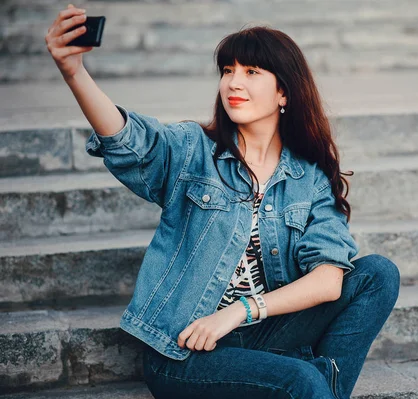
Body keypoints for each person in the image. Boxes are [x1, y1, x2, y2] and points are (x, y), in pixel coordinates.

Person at [46, 4, 400, 399]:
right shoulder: (193, 150)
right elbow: (130, 142)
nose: (234, 82)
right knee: (304, 381)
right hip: (186, 349)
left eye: (251, 72)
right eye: (228, 71)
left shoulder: (308, 178)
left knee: (377, 274)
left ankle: (316, 385)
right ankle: (314, 383)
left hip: (257, 332)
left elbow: (329, 279)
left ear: (284, 91)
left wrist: (239, 312)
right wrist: (74, 73)